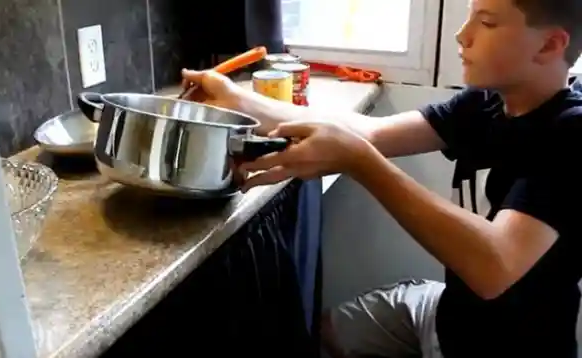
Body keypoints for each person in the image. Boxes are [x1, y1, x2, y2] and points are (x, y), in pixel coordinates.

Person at [181, 0, 582, 356]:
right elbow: (367, 132)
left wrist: (361, 162)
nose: (462, 36)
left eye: (487, 22)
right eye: (467, 18)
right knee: (324, 334)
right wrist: (236, 98)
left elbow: (494, 267)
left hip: (511, 346)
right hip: (447, 314)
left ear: (549, 45)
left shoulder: (571, 133)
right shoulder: (489, 102)